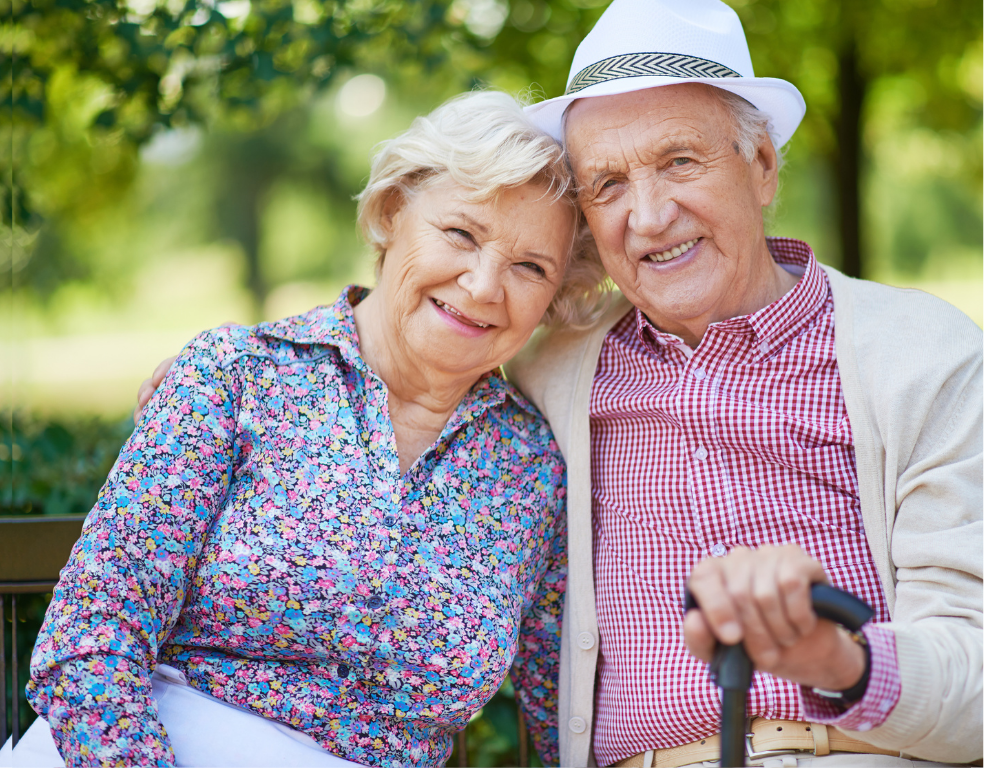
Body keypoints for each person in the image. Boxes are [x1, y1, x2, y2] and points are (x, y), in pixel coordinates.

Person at [5, 90, 610, 768]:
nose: (481, 284)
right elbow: (89, 640)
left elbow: (564, 707)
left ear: (556, 294)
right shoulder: (237, 376)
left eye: (530, 267)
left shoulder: (529, 465)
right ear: (392, 212)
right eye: (461, 234)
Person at [503, 1, 982, 766]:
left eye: (680, 162)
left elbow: (977, 684)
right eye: (608, 185)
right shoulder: (545, 375)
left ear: (762, 166)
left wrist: (835, 659)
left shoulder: (926, 357)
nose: (650, 216)